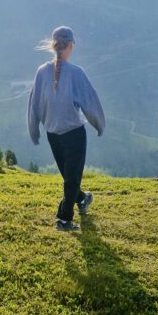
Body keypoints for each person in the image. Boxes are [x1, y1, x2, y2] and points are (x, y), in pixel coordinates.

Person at [28, 26, 106, 232]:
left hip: (52, 134)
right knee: (71, 178)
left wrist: (34, 130)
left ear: (53, 45)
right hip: (74, 134)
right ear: (71, 46)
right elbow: (90, 100)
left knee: (70, 177)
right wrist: (99, 124)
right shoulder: (76, 73)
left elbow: (34, 103)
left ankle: (82, 198)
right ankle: (64, 220)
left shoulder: (41, 72)